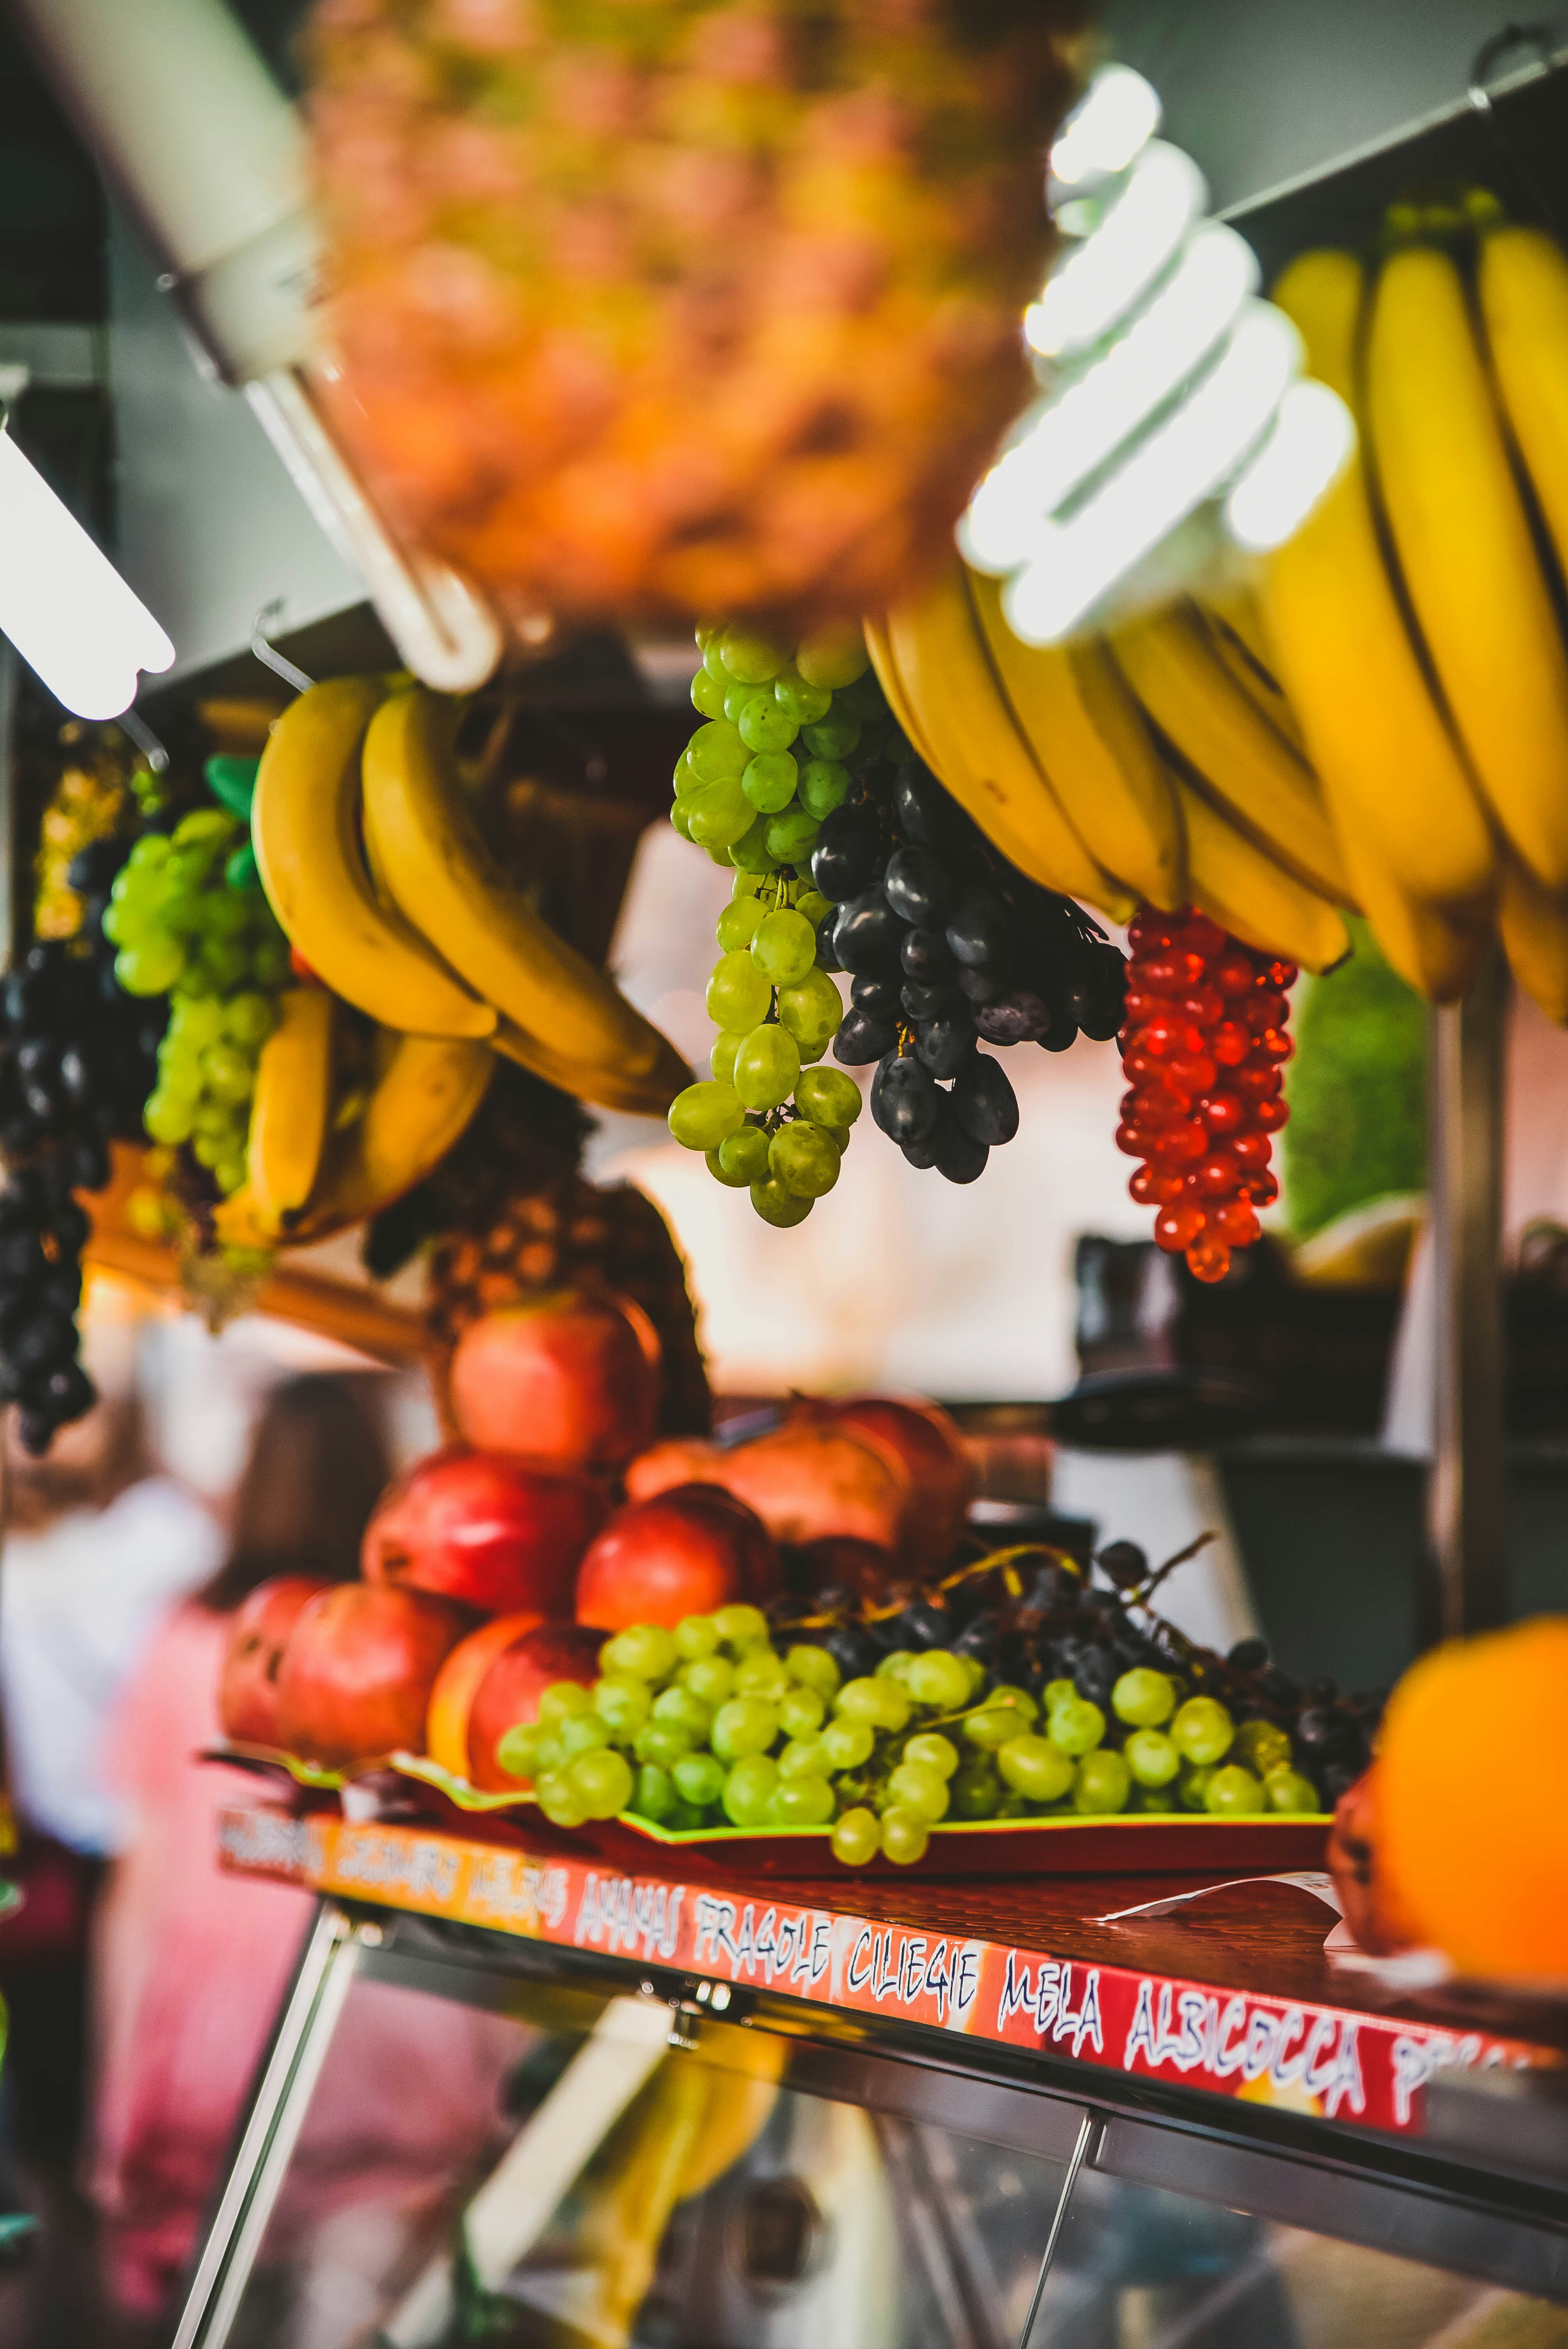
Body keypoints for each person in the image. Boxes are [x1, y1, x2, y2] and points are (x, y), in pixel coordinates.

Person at [85, 1374, 390, 2324]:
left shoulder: (187, 1640)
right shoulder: (401, 1660)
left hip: (209, 2051)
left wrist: (113, 2094)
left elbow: (139, 1889)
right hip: (372, 2047)